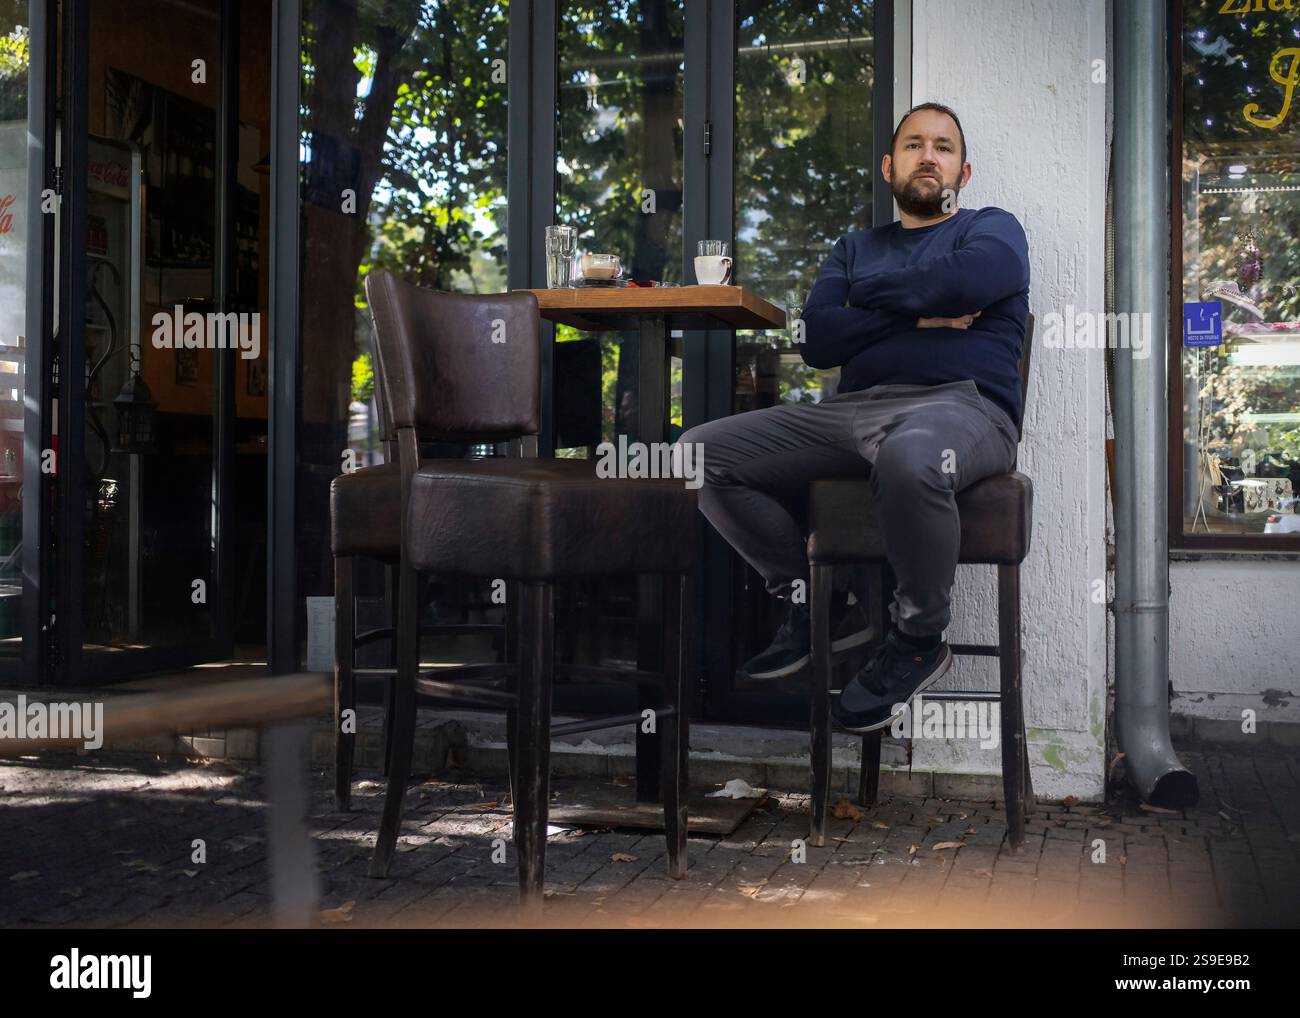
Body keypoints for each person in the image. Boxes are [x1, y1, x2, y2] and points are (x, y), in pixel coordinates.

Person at [679, 102, 1030, 734]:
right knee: (697, 455)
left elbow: (975, 278)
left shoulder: (992, 229)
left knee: (911, 455)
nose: (929, 155)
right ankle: (813, 596)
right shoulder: (856, 245)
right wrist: (920, 309)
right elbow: (816, 338)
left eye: (944, 147)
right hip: (851, 411)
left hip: (962, 405)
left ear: (964, 171)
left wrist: (865, 298)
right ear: (887, 166)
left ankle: (918, 639)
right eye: (915, 144)